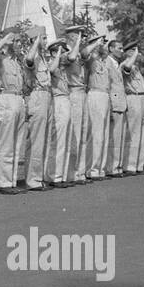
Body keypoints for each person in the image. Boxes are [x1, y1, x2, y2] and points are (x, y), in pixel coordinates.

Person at [0, 27, 30, 194]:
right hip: (6, 97)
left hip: (18, 99)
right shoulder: (1, 58)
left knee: (16, 143)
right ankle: (3, 182)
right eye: (16, 41)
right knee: (6, 142)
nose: (19, 44)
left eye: (20, 41)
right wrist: (4, 41)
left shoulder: (16, 61)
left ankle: (11, 180)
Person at [21, 32, 53, 191]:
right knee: (36, 139)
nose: (46, 41)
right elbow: (28, 60)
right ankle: (32, 179)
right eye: (44, 38)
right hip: (37, 95)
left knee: (46, 139)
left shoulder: (44, 57)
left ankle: (41, 176)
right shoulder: (32, 55)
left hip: (47, 95)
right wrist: (36, 41)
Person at [43, 37, 72, 189]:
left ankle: (61, 174)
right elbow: (51, 70)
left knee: (65, 140)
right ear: (54, 52)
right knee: (58, 140)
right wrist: (58, 53)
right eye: (61, 51)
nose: (64, 55)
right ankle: (54, 175)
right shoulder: (51, 64)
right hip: (58, 100)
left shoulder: (63, 67)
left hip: (67, 100)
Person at [63, 26, 90, 185]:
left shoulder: (79, 53)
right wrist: (78, 42)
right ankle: (71, 172)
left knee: (83, 133)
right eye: (78, 36)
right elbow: (72, 58)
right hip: (72, 93)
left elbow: (85, 54)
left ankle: (80, 172)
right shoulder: (66, 52)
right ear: (71, 38)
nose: (81, 39)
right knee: (75, 135)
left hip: (82, 92)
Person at [82, 33, 111, 179]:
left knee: (104, 134)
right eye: (101, 42)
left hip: (105, 95)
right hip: (95, 94)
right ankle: (92, 169)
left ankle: (100, 168)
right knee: (96, 133)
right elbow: (85, 52)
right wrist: (95, 44)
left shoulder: (103, 61)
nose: (103, 44)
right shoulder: (91, 59)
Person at [121, 37, 144, 175]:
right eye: (133, 50)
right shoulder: (125, 64)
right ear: (127, 52)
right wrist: (135, 55)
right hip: (133, 98)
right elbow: (127, 69)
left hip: (142, 98)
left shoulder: (136, 67)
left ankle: (139, 165)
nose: (136, 52)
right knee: (133, 132)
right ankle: (130, 165)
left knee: (143, 133)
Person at [106, 37, 129, 177]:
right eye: (119, 48)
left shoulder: (117, 65)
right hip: (113, 103)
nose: (122, 51)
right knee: (112, 137)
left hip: (120, 103)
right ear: (111, 49)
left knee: (120, 136)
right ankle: (111, 167)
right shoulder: (107, 63)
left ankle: (118, 166)